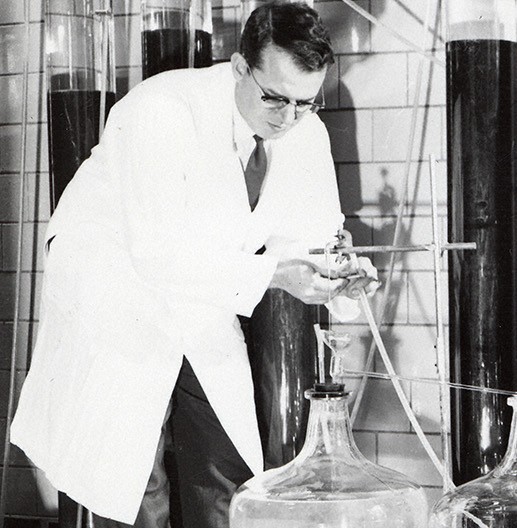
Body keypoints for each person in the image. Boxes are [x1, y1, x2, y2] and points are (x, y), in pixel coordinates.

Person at [10, 3, 375, 527]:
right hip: (117, 292)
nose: (287, 117)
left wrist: (344, 275)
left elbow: (314, 238)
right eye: (274, 98)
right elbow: (157, 253)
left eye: (305, 102)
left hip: (205, 289)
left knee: (226, 464)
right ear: (238, 67)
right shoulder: (161, 110)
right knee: (133, 482)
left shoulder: (303, 130)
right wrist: (274, 274)